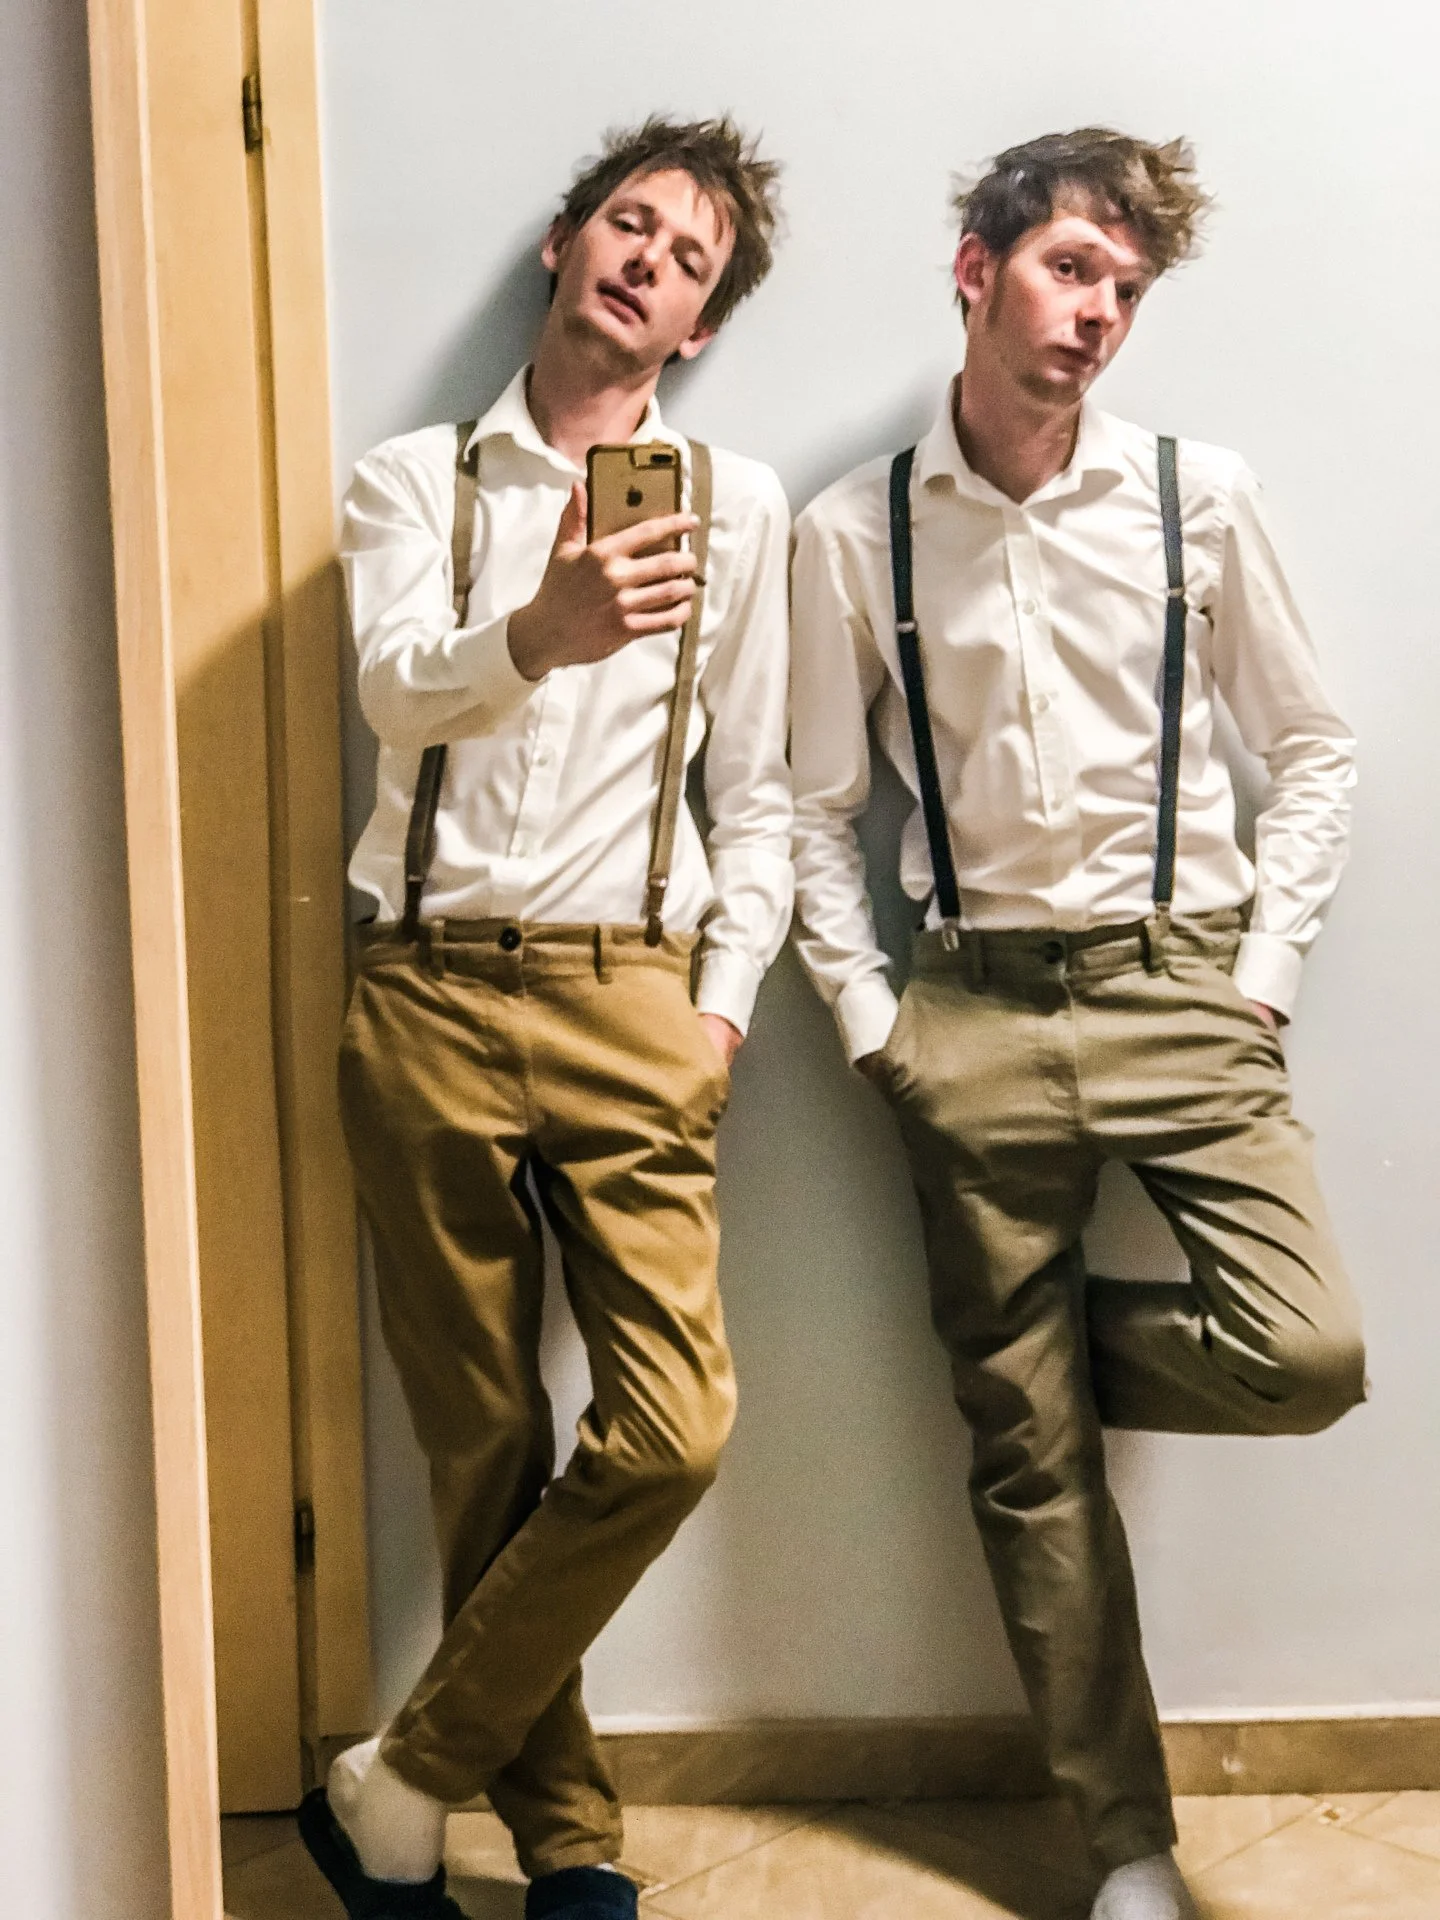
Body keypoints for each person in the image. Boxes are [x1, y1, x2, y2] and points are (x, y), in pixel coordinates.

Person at [789, 128, 1365, 1920]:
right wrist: (875, 1022)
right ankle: (1126, 1845)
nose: (1099, 311)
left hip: (1186, 993)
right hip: (970, 1009)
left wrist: (1264, 970)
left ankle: (1020, 1376)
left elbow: (1314, 748)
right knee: (1034, 1475)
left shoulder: (1201, 496)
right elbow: (807, 807)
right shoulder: (853, 530)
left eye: (1126, 286)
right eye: (1068, 269)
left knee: (1307, 1355)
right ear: (976, 270)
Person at [302, 116, 791, 1920]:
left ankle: (402, 1777)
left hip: (632, 1000)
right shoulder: (411, 482)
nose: (649, 258)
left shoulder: (735, 508)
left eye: (689, 258)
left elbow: (762, 793)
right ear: (563, 245)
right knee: (484, 1444)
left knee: (674, 1428)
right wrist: (542, 629)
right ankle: (568, 1839)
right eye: (629, 223)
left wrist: (717, 1014)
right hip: (423, 991)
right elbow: (391, 694)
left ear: (700, 327)